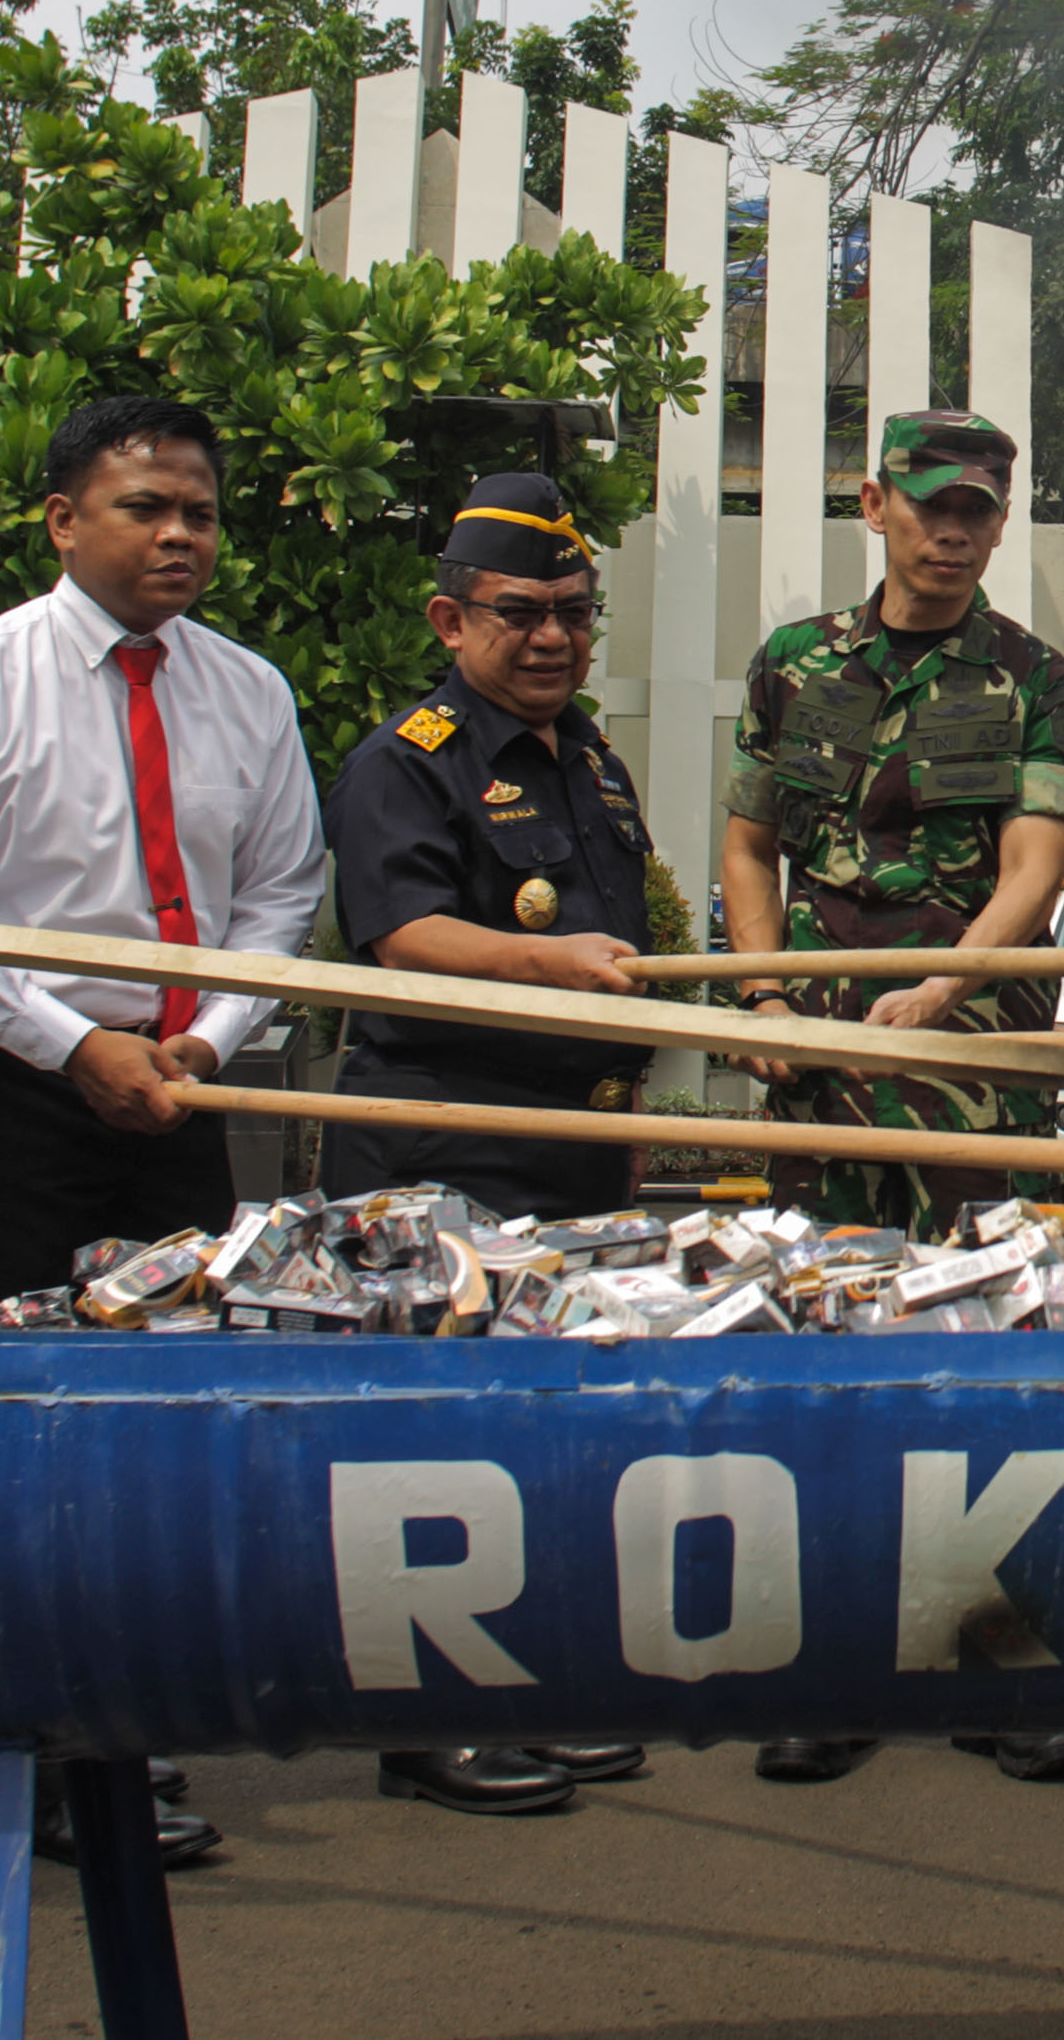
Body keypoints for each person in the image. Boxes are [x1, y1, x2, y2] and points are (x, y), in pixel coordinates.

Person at [0, 394, 326, 1869]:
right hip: (14, 1084)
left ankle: (124, 1723)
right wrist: (80, 1046)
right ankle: (24, 1742)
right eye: (144, 507)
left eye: (198, 508)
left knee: (158, 1408)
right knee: (16, 1408)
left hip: (181, 1082)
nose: (179, 533)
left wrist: (201, 1039)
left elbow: (282, 893)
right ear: (67, 519)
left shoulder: (248, 689)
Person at [720, 407, 1064, 1789]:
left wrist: (941, 991)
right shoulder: (794, 664)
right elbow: (749, 844)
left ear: (1001, 522)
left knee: (990, 1348)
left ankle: (1005, 1663)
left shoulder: (1037, 679)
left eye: (977, 511)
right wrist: (762, 999)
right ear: (874, 503)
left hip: (971, 1053)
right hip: (816, 1043)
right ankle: (838, 1667)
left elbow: (1032, 870)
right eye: (929, 505)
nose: (950, 532)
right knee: (828, 1339)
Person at [316, 471, 659, 1819]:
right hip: (445, 1145)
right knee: (441, 1448)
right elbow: (402, 937)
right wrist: (542, 959)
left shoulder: (588, 755)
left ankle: (527, 1686)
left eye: (574, 611)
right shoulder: (404, 759)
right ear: (449, 619)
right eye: (521, 613)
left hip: (570, 1146)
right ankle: (430, 1719)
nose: (554, 637)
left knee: (550, 1442)